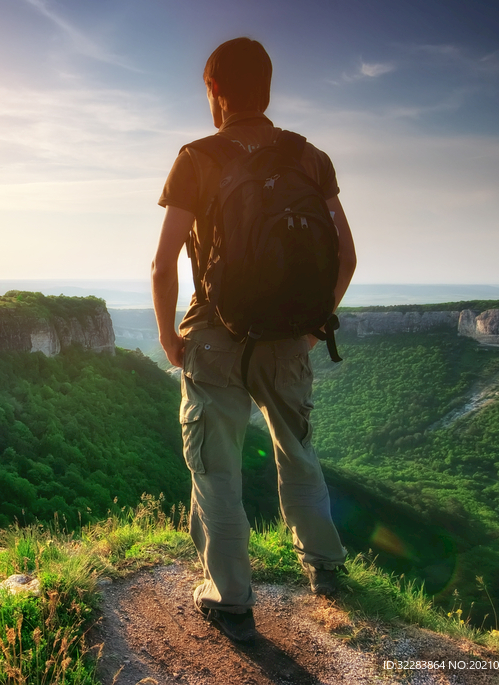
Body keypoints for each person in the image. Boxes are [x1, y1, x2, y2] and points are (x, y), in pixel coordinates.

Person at [151, 37, 357, 642]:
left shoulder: (196, 157)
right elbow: (345, 256)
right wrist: (313, 323)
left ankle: (230, 596)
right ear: (267, 89)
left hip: (214, 335)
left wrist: (168, 335)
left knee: (216, 467)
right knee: (298, 451)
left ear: (214, 91)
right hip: (289, 337)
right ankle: (324, 567)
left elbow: (164, 265)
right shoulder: (310, 158)